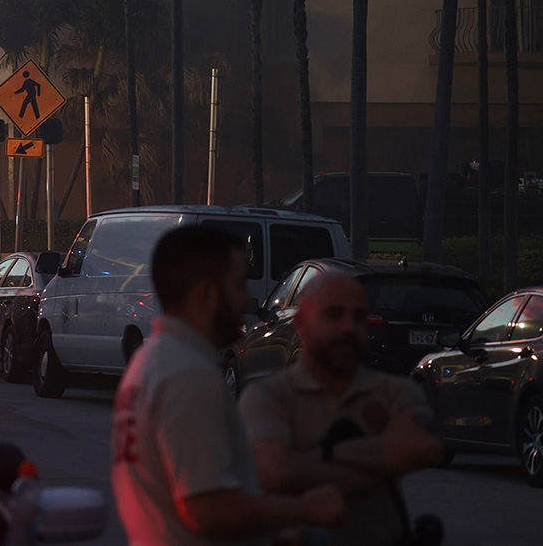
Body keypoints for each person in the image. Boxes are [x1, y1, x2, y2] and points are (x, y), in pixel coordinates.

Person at [112, 226, 343, 546]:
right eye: (238, 285)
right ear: (206, 295)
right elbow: (209, 509)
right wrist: (304, 508)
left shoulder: (150, 363)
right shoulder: (188, 375)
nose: (247, 298)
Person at [239, 274, 445, 546]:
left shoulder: (394, 392)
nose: (348, 327)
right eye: (333, 314)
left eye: (359, 317)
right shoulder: (267, 397)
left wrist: (327, 453)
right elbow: (277, 470)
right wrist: (381, 463)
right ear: (301, 323)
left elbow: (424, 447)